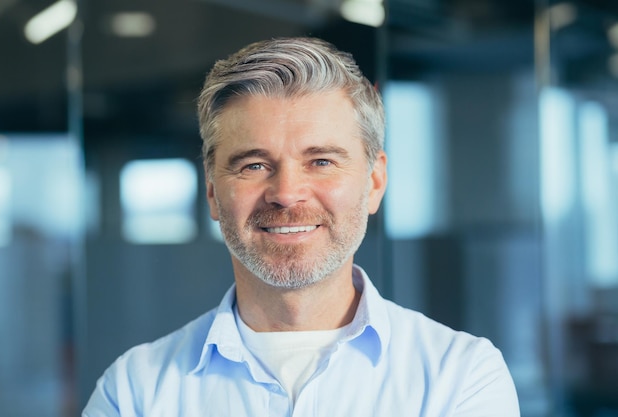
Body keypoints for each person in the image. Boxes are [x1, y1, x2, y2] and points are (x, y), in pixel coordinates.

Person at [82, 37, 520, 416]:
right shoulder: (134, 392)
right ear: (213, 193)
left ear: (374, 182)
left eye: (321, 162)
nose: (287, 193)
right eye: (254, 165)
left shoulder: (461, 378)